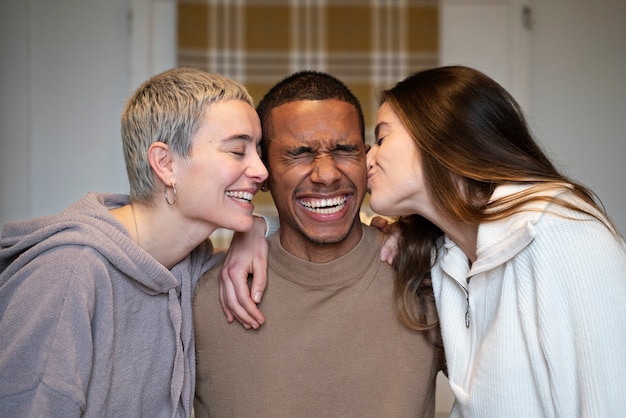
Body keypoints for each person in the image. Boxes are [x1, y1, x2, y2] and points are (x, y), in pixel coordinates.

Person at [0, 67, 270, 417]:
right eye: (237, 151)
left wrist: (254, 230)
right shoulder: (67, 273)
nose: (261, 171)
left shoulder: (191, 265)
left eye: (258, 151)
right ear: (166, 163)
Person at [366, 65, 626, 417]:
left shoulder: (561, 230)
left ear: (440, 134)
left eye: (382, 139)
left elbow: (610, 403)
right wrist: (261, 230)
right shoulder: (448, 254)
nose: (367, 158)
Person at [193, 71, 446, 417]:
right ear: (264, 170)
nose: (326, 175)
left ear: (367, 160)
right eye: (299, 154)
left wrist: (422, 231)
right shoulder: (202, 294)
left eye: (345, 151)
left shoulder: (428, 277)